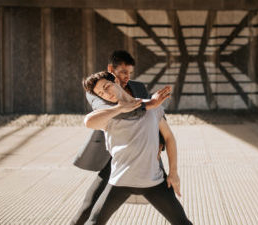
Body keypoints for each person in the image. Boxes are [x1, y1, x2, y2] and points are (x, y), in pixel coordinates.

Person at [71, 50, 169, 225]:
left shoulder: (138, 87)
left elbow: (155, 115)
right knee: (89, 204)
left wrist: (160, 144)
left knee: (170, 204)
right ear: (111, 69)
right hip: (114, 155)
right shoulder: (96, 90)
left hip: (142, 152)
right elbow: (112, 113)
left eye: (130, 72)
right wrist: (147, 104)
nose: (127, 77)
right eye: (123, 72)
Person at [82, 71, 192, 225]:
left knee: (182, 223)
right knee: (93, 222)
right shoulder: (108, 116)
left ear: (116, 81)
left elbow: (169, 138)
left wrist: (173, 172)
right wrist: (120, 108)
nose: (106, 94)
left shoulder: (152, 105)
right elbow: (88, 122)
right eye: (101, 93)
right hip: (119, 181)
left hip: (154, 181)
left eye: (107, 86)